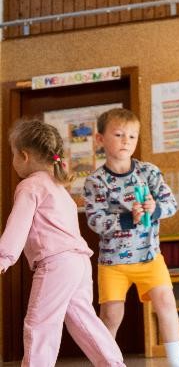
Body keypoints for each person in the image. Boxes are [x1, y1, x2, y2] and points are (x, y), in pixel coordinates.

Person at [0, 119, 125, 367]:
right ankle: (114, 364)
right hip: (78, 263)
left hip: (55, 264)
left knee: (40, 324)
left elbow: (18, 226)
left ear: (24, 156)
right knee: (84, 321)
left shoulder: (30, 186)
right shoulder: (59, 187)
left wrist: (4, 257)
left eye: (13, 154)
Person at [83, 108, 179, 367]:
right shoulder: (95, 181)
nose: (126, 141)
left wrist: (155, 209)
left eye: (132, 136)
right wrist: (129, 219)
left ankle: (176, 362)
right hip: (113, 263)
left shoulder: (148, 172)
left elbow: (171, 204)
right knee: (111, 315)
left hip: (150, 257)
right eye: (118, 135)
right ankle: (106, 362)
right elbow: (95, 221)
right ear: (100, 139)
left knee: (165, 302)